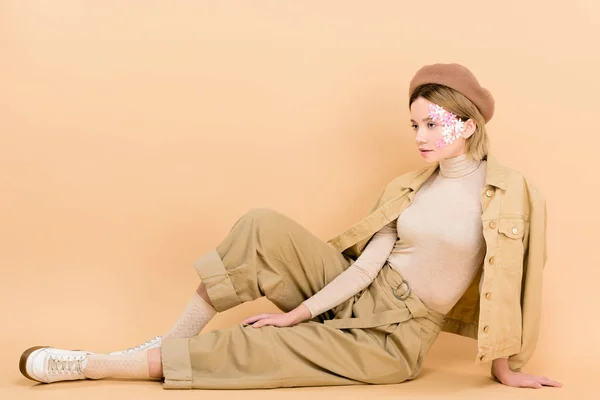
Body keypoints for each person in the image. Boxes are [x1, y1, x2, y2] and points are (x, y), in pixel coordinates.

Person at [19, 63, 562, 390]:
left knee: (253, 352)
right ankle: (172, 339)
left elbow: (520, 286)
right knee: (262, 226)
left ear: (467, 124)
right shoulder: (410, 185)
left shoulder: (512, 193)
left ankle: (91, 365)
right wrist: (299, 315)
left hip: (393, 340)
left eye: (432, 123)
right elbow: (369, 263)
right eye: (414, 124)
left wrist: (507, 367)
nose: (419, 135)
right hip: (358, 295)